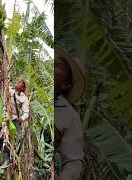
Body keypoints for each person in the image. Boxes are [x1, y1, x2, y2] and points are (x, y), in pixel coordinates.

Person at [55, 46, 85, 180]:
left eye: (58, 65)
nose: (52, 64)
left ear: (66, 85)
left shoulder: (69, 116)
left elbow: (74, 162)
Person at [0, 79, 30, 166]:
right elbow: (0, 86)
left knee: (19, 138)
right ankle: (6, 159)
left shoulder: (24, 98)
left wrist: (22, 119)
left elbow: (26, 112)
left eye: (20, 83)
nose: (18, 83)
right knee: (2, 138)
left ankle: (15, 156)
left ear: (23, 88)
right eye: (18, 81)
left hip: (14, 119)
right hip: (5, 117)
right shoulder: (8, 88)